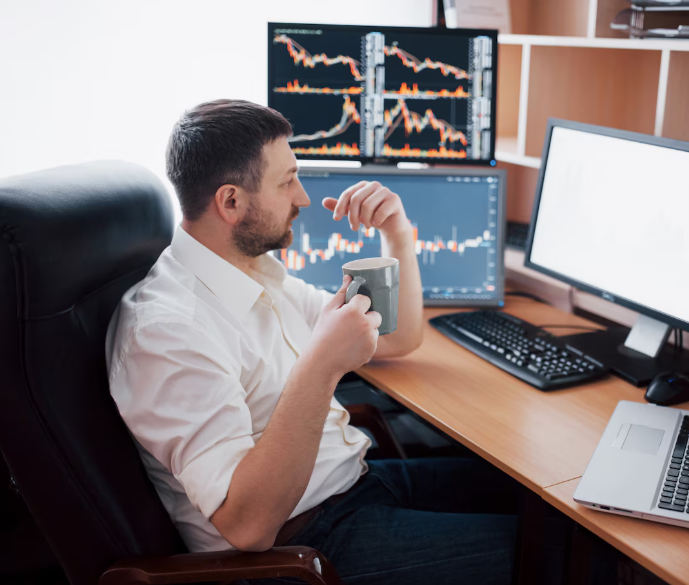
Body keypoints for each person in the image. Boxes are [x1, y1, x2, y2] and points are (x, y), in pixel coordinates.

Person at [105, 100, 550, 584]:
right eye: (287, 180)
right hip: (304, 545)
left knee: (550, 509)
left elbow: (397, 337)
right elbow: (248, 526)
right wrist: (322, 363)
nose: (303, 197)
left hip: (356, 485)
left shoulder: (252, 273)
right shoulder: (169, 331)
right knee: (555, 559)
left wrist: (397, 234)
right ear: (230, 202)